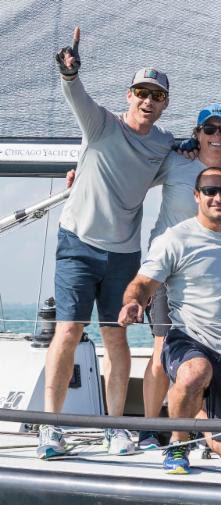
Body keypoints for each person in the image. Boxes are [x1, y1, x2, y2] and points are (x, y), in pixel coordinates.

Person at [38, 27, 174, 459]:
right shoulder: (100, 124)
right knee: (69, 330)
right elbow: (74, 93)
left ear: (164, 103)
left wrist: (220, 156)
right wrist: (69, 71)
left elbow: (191, 159)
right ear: (128, 95)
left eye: (156, 95)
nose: (147, 100)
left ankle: (115, 429)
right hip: (77, 244)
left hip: (122, 255)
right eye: (141, 92)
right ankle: (51, 429)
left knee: (116, 339)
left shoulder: (165, 145)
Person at [118, 167, 221, 474]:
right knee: (196, 372)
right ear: (197, 196)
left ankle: (201, 417)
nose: (218, 197)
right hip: (188, 339)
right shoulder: (176, 238)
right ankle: (178, 442)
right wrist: (133, 301)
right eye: (210, 191)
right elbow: (144, 282)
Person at [137, 104, 221, 450]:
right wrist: (81, 175)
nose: (216, 136)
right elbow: (132, 175)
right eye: (208, 130)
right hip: (167, 272)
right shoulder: (176, 162)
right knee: (161, 350)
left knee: (212, 352)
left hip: (210, 276)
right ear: (196, 134)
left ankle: (198, 423)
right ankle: (151, 430)